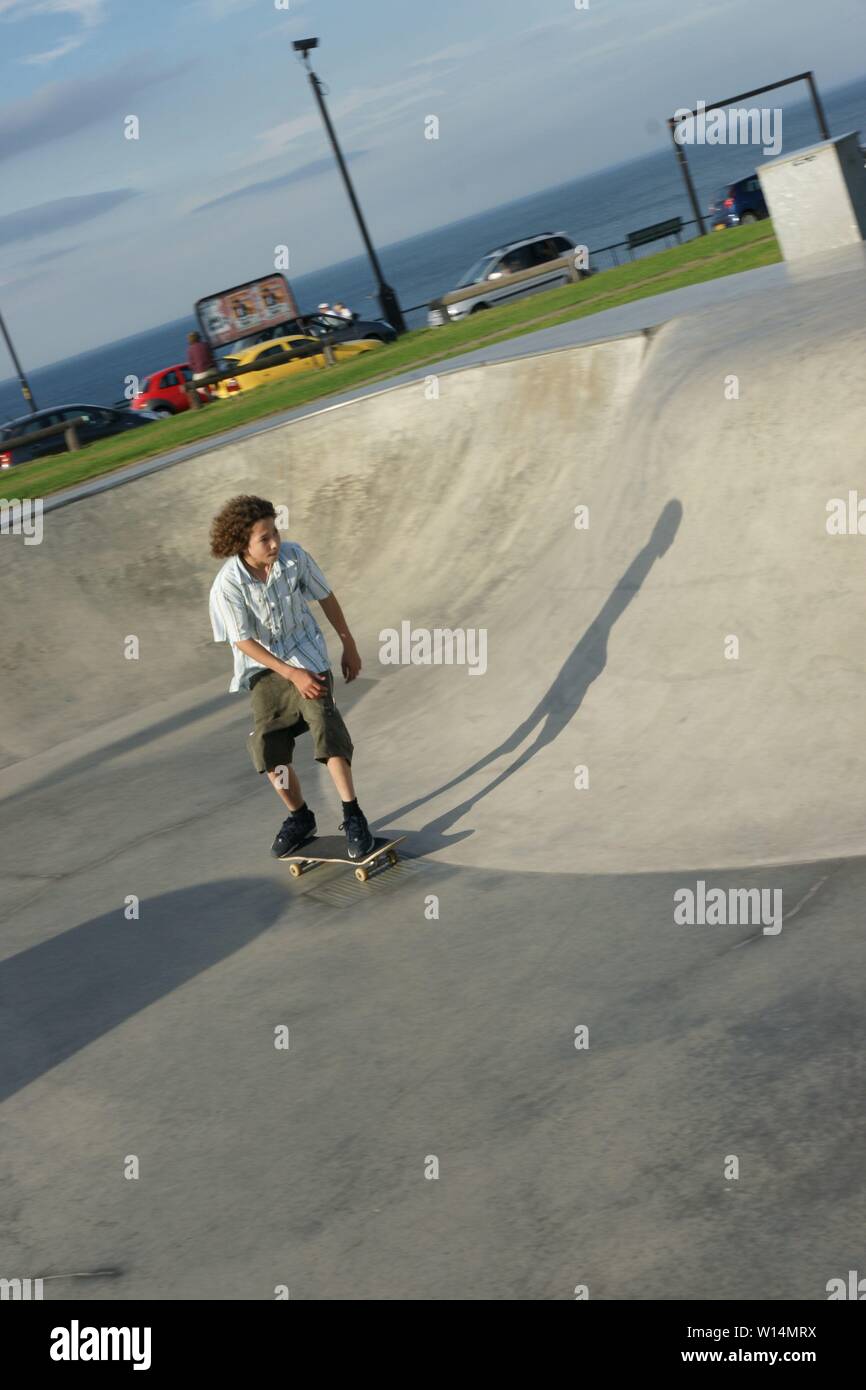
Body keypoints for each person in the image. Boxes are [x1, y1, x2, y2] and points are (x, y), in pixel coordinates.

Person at [208, 494, 376, 861]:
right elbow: (243, 641)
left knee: (324, 725)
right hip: (265, 669)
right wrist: (289, 673)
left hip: (308, 653)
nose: (274, 543)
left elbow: (326, 597)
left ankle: (353, 815)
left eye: (275, 533)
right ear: (242, 544)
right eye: (264, 538)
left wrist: (348, 644)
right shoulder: (228, 585)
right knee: (270, 749)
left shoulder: (294, 557)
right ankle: (300, 817)